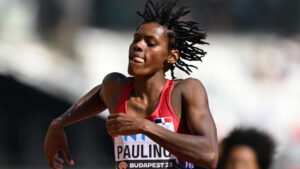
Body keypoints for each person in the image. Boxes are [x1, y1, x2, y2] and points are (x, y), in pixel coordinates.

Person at [44, 0, 219, 169]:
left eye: (150, 43)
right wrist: (59, 123)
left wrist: (146, 127)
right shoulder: (116, 90)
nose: (138, 46)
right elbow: (100, 93)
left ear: (171, 56)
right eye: (136, 39)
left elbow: (209, 155)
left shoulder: (184, 91)